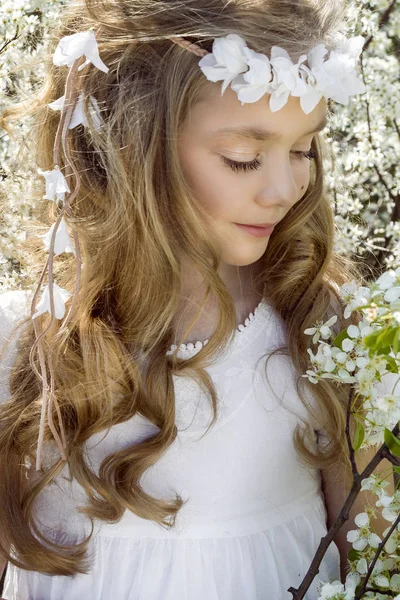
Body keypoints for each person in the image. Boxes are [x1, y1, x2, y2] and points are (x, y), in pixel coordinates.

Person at [0, 0, 394, 598]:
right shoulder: (27, 344)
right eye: (243, 159)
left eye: (303, 150)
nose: (286, 189)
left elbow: (374, 559)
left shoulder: (323, 329)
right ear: (133, 150)